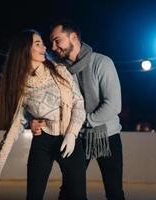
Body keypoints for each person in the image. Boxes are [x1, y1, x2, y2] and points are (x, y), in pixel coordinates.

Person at [0, 29, 87, 200]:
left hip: (69, 138)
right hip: (42, 141)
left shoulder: (59, 70)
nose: (44, 47)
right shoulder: (21, 86)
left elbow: (78, 103)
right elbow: (14, 129)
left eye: (42, 43)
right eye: (38, 44)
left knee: (78, 195)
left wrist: (72, 134)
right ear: (25, 49)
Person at [31, 20, 125, 200]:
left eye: (58, 40)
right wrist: (32, 119)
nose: (53, 46)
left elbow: (114, 105)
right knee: (69, 190)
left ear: (73, 37)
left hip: (108, 135)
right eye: (51, 42)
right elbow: (43, 99)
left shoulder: (102, 63)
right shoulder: (59, 69)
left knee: (114, 192)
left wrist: (81, 120)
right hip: (76, 137)